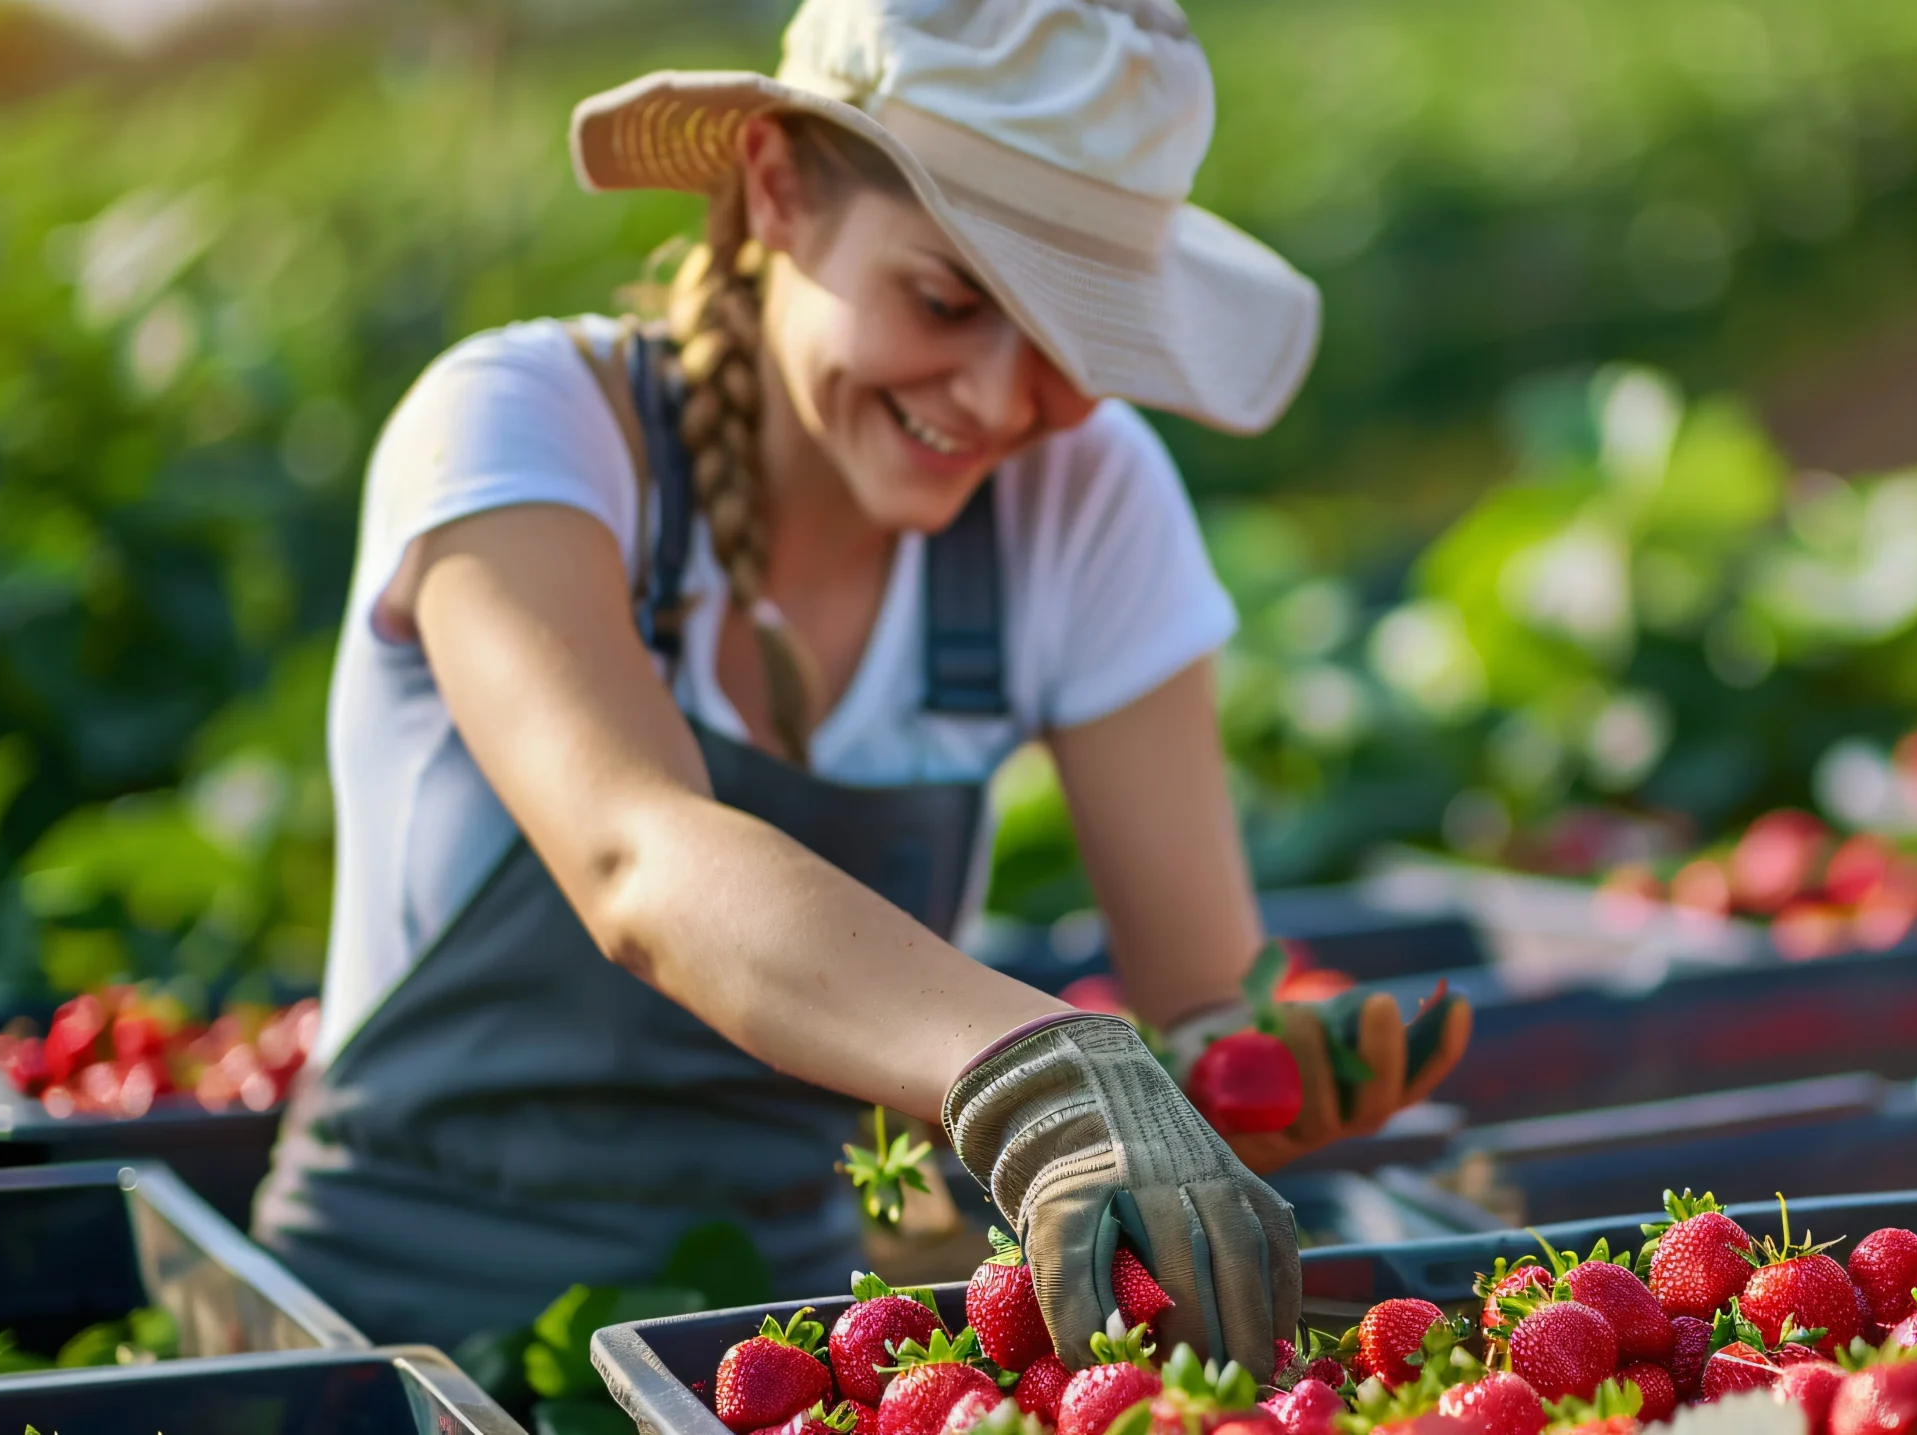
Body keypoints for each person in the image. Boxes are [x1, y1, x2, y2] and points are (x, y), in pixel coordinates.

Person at [252, 0, 1471, 1370]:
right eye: (948, 299)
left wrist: (1240, 1067)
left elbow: (1201, 989)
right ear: (776, 188)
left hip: (773, 1344)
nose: (1004, 401)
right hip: (381, 1331)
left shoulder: (1084, 500)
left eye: (1073, 340)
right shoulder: (526, 424)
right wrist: (1047, 1064)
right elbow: (639, 857)